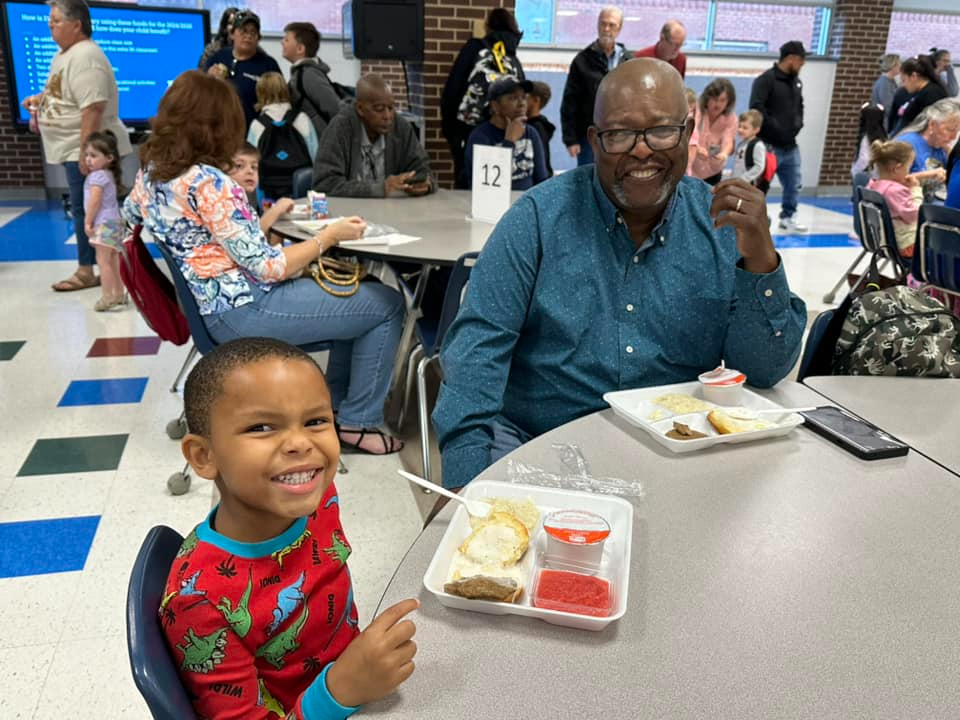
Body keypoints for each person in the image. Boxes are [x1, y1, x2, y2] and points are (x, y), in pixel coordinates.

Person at [432, 58, 807, 489]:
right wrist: (462, 483)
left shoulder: (721, 226)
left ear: (687, 134)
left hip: (678, 452)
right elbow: (475, 357)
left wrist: (760, 260)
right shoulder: (536, 221)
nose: (642, 149)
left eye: (662, 130)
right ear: (594, 140)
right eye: (620, 134)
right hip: (535, 444)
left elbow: (763, 370)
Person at [123, 70, 405, 455]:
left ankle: (337, 408)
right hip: (247, 309)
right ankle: (356, 421)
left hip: (213, 311)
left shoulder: (151, 175)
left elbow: (125, 220)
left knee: (363, 296)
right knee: (387, 305)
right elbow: (270, 266)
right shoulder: (212, 183)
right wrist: (330, 237)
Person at [164, 336, 419, 719]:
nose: (301, 443)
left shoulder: (319, 499)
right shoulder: (199, 603)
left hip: (362, 676)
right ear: (204, 456)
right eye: (262, 426)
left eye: (317, 421)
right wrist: (340, 691)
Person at [21, 0, 132, 293]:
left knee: (92, 211)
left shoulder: (86, 56)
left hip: (84, 150)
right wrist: (40, 100)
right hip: (76, 149)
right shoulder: (65, 55)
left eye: (56, 21)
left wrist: (86, 152)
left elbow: (93, 108)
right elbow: (62, 92)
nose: (50, 27)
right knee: (86, 210)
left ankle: (90, 270)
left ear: (76, 24)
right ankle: (95, 267)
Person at [441, 8, 524, 188]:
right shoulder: (512, 58)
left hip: (468, 131)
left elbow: (453, 89)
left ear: (488, 27)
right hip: (505, 131)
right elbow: (521, 96)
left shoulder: (474, 48)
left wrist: (451, 132)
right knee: (500, 184)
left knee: (468, 185)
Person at [312, 75, 433, 197]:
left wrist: (424, 184)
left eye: (391, 108)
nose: (387, 116)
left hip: (390, 212)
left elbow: (425, 171)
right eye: (379, 109)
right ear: (360, 108)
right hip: (348, 211)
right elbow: (324, 184)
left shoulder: (401, 128)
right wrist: (381, 188)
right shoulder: (340, 128)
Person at [560, 6, 629, 167]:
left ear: (619, 28)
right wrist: (571, 139)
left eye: (611, 25)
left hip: (623, 134)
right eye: (602, 24)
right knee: (588, 180)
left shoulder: (628, 61)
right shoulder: (582, 60)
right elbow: (570, 101)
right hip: (590, 136)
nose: (606, 29)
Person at [750, 40, 807, 233]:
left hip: (791, 145)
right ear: (790, 59)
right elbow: (757, 108)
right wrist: (775, 127)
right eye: (801, 60)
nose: (803, 64)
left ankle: (788, 216)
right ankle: (754, 217)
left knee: (794, 184)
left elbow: (800, 106)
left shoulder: (796, 82)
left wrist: (798, 124)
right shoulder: (766, 80)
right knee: (761, 184)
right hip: (769, 145)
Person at [463, 77, 548, 191]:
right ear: (495, 106)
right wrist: (509, 141)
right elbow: (486, 187)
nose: (521, 104)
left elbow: (541, 181)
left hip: (526, 203)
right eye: (513, 98)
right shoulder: (480, 137)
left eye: (524, 97)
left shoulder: (531, 133)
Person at [247, 72, 319, 197]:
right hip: (300, 189)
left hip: (267, 192)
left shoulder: (257, 125)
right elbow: (316, 156)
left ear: (260, 93)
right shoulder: (302, 119)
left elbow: (251, 165)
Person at [204, 10, 281, 128]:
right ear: (232, 34)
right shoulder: (218, 57)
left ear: (258, 38)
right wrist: (209, 79)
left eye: (253, 32)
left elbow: (279, 105)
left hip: (254, 135)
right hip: (219, 131)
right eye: (243, 31)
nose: (248, 36)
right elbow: (200, 93)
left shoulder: (268, 65)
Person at [82, 130, 126, 311]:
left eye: (93, 155)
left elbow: (95, 200)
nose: (88, 160)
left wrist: (87, 221)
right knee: (114, 259)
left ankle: (108, 297)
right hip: (114, 221)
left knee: (103, 261)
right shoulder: (108, 174)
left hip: (102, 222)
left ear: (109, 158)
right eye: (86, 155)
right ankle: (119, 293)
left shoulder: (96, 177)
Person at [283, 21, 344, 139]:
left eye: (286, 40)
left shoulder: (309, 74)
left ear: (300, 48)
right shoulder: (302, 73)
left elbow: (333, 108)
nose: (282, 43)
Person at [866, 140, 922, 258]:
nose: (909, 172)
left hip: (883, 241)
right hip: (906, 246)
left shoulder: (873, 186)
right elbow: (916, 215)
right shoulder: (894, 191)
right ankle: (915, 276)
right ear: (897, 168)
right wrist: (915, 190)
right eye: (908, 168)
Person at [895, 98, 960, 202]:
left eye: (957, 132)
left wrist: (951, 155)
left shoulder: (942, 148)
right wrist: (929, 174)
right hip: (906, 206)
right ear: (932, 125)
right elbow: (890, 182)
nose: (953, 137)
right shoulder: (906, 144)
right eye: (950, 130)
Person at [229, 142, 294, 245]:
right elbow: (251, 239)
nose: (250, 171)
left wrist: (272, 216)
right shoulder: (228, 203)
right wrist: (275, 210)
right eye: (239, 166)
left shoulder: (243, 199)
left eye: (254, 167)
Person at [689, 78, 737, 185]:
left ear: (728, 101)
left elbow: (728, 140)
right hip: (692, 170)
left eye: (722, 100)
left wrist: (724, 153)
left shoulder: (731, 118)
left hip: (713, 171)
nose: (718, 104)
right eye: (715, 99)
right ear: (707, 98)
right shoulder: (697, 110)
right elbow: (691, 131)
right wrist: (697, 148)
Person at [888, 55, 947, 136]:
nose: (903, 85)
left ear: (913, 76)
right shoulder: (921, 92)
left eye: (904, 80)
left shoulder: (931, 95)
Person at [526, 81, 556, 178]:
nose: (520, 101)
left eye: (525, 97)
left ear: (536, 100)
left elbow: (542, 159)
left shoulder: (537, 129)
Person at [733, 110, 768, 192]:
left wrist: (744, 179)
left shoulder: (758, 145)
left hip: (748, 185)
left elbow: (759, 167)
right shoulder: (741, 144)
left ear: (756, 130)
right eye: (739, 126)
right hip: (738, 183)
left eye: (745, 128)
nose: (740, 130)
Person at [850, 103, 887, 179]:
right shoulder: (884, 137)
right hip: (881, 176)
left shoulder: (866, 138)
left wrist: (854, 171)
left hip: (872, 178)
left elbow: (864, 159)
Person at [871, 54, 900, 128]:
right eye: (898, 64)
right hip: (883, 124)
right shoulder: (884, 83)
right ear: (892, 66)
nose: (900, 67)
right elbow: (888, 106)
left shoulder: (891, 81)